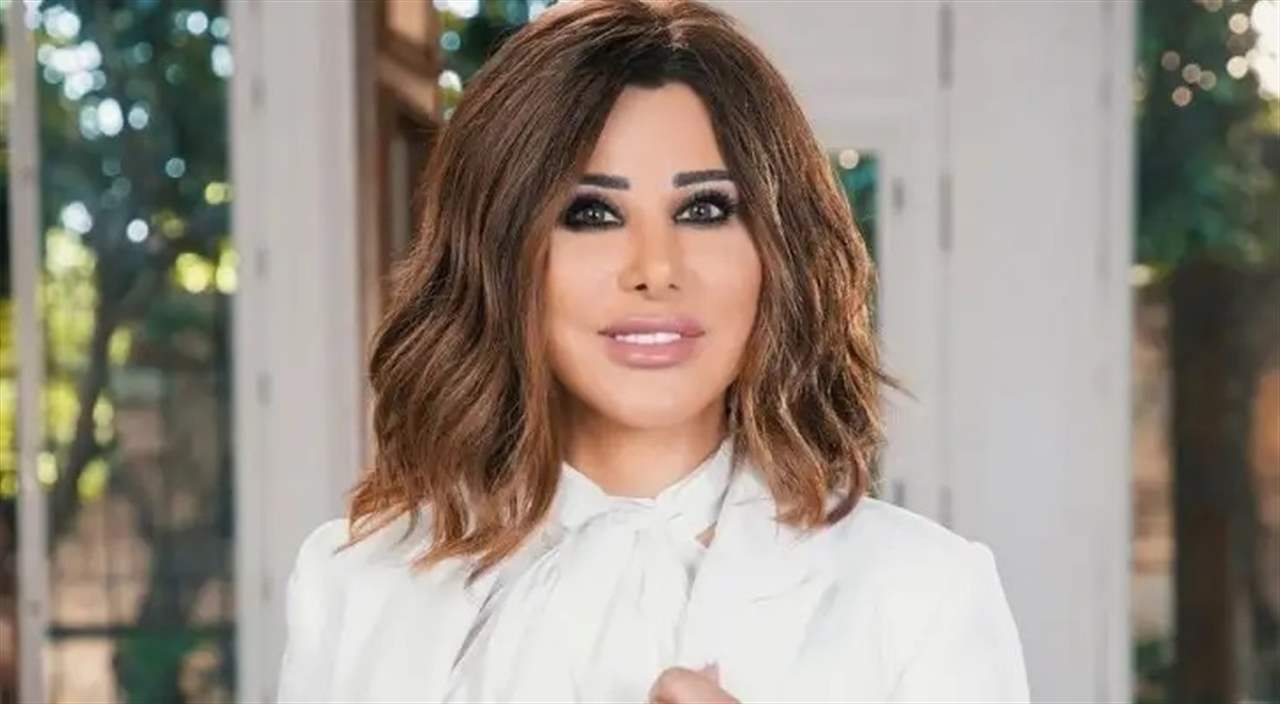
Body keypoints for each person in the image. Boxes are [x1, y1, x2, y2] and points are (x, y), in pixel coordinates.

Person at [276, 0, 1030, 702]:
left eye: (704, 209)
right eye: (591, 213)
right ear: (501, 254)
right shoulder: (354, 584)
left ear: (776, 252)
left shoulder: (924, 595)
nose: (656, 268)